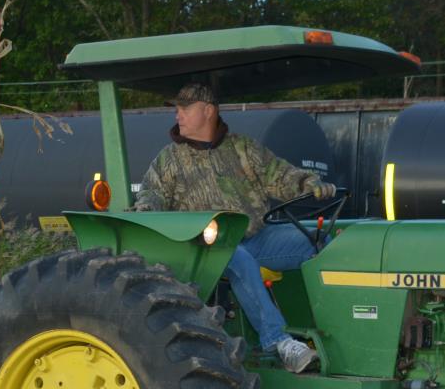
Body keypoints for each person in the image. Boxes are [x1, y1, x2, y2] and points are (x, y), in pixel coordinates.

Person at [134, 82, 335, 373]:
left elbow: (280, 175)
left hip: (257, 239)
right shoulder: (169, 159)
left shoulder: (242, 148)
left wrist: (309, 183)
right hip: (205, 251)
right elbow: (149, 197)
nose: (177, 115)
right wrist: (145, 211)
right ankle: (280, 342)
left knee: (318, 242)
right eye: (176, 109)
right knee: (237, 257)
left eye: (184, 108)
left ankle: (326, 334)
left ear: (208, 111)